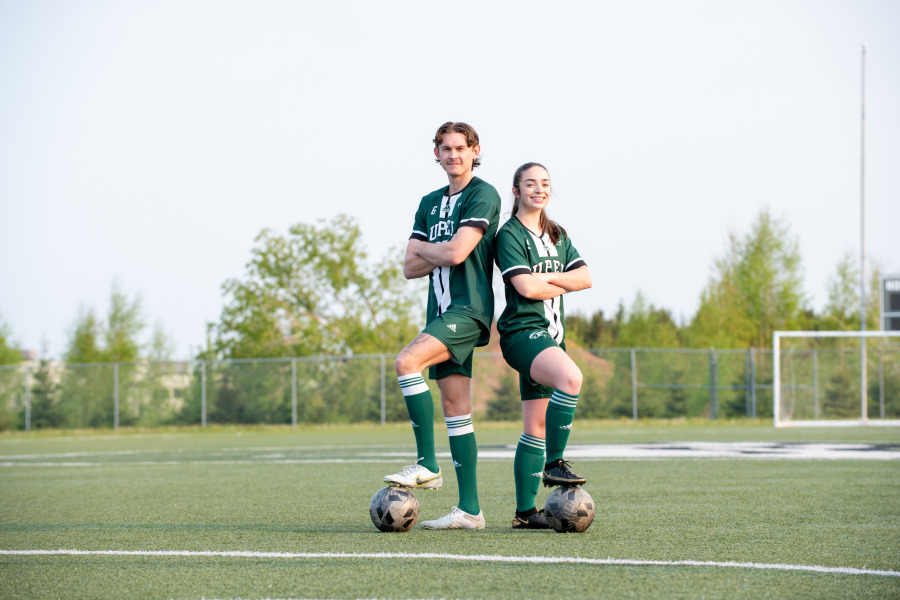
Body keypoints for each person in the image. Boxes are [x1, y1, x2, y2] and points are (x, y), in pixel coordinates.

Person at [383, 122, 501, 530]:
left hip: (468, 310)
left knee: (406, 362)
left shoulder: (483, 194)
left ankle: (427, 464)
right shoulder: (428, 202)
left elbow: (456, 253)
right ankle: (470, 511)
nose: (453, 155)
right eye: (445, 148)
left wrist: (433, 250)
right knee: (456, 409)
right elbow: (408, 267)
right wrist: (440, 251)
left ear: (475, 151)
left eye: (460, 148)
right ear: (435, 153)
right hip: (439, 313)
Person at [493, 162, 592, 529]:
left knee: (534, 426)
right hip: (522, 333)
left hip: (551, 337)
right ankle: (555, 463)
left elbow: (585, 277)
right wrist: (561, 281)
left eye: (545, 183)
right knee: (572, 378)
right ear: (516, 190)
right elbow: (527, 289)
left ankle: (524, 513)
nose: (539, 189)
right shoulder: (509, 235)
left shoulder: (557, 234)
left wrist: (549, 278)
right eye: (530, 183)